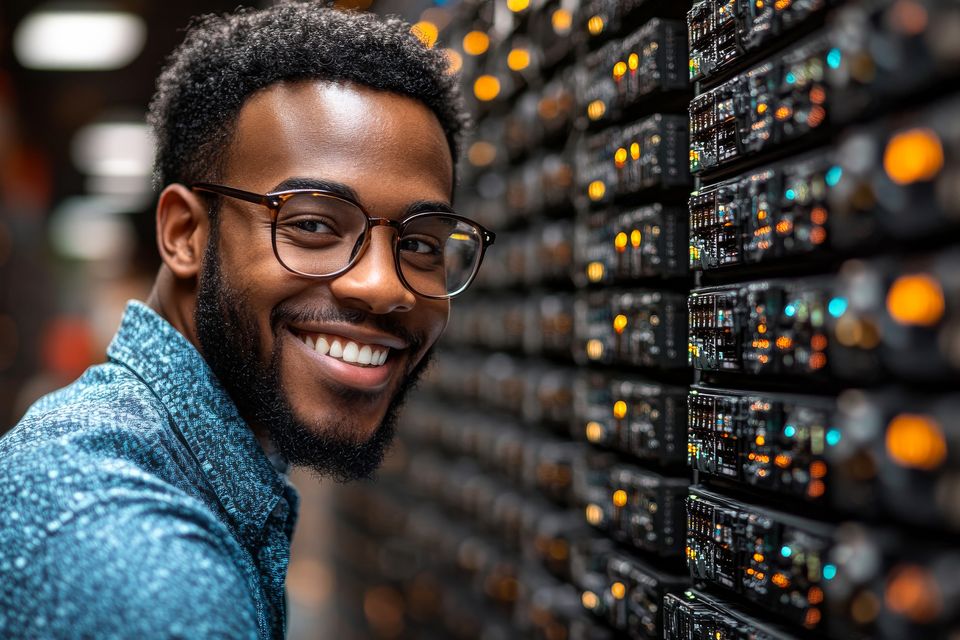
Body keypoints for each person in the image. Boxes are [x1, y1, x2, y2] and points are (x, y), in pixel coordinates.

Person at [0, 4, 494, 638]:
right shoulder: (151, 575)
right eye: (313, 224)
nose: (382, 286)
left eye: (422, 244)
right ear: (184, 234)